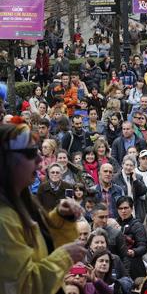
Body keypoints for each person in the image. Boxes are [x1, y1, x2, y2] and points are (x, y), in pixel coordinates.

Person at [0, 121, 87, 294]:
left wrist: (61, 219)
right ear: (8, 161)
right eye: (31, 153)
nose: (40, 159)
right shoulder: (4, 220)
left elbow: (41, 250)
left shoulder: (22, 203)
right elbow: (23, 287)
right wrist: (65, 257)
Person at [116, 196, 147, 279]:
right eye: (120, 208)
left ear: (131, 208)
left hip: (134, 264)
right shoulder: (114, 224)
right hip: (118, 264)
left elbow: (143, 246)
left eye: (126, 208)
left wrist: (134, 251)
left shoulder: (137, 225)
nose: (123, 211)